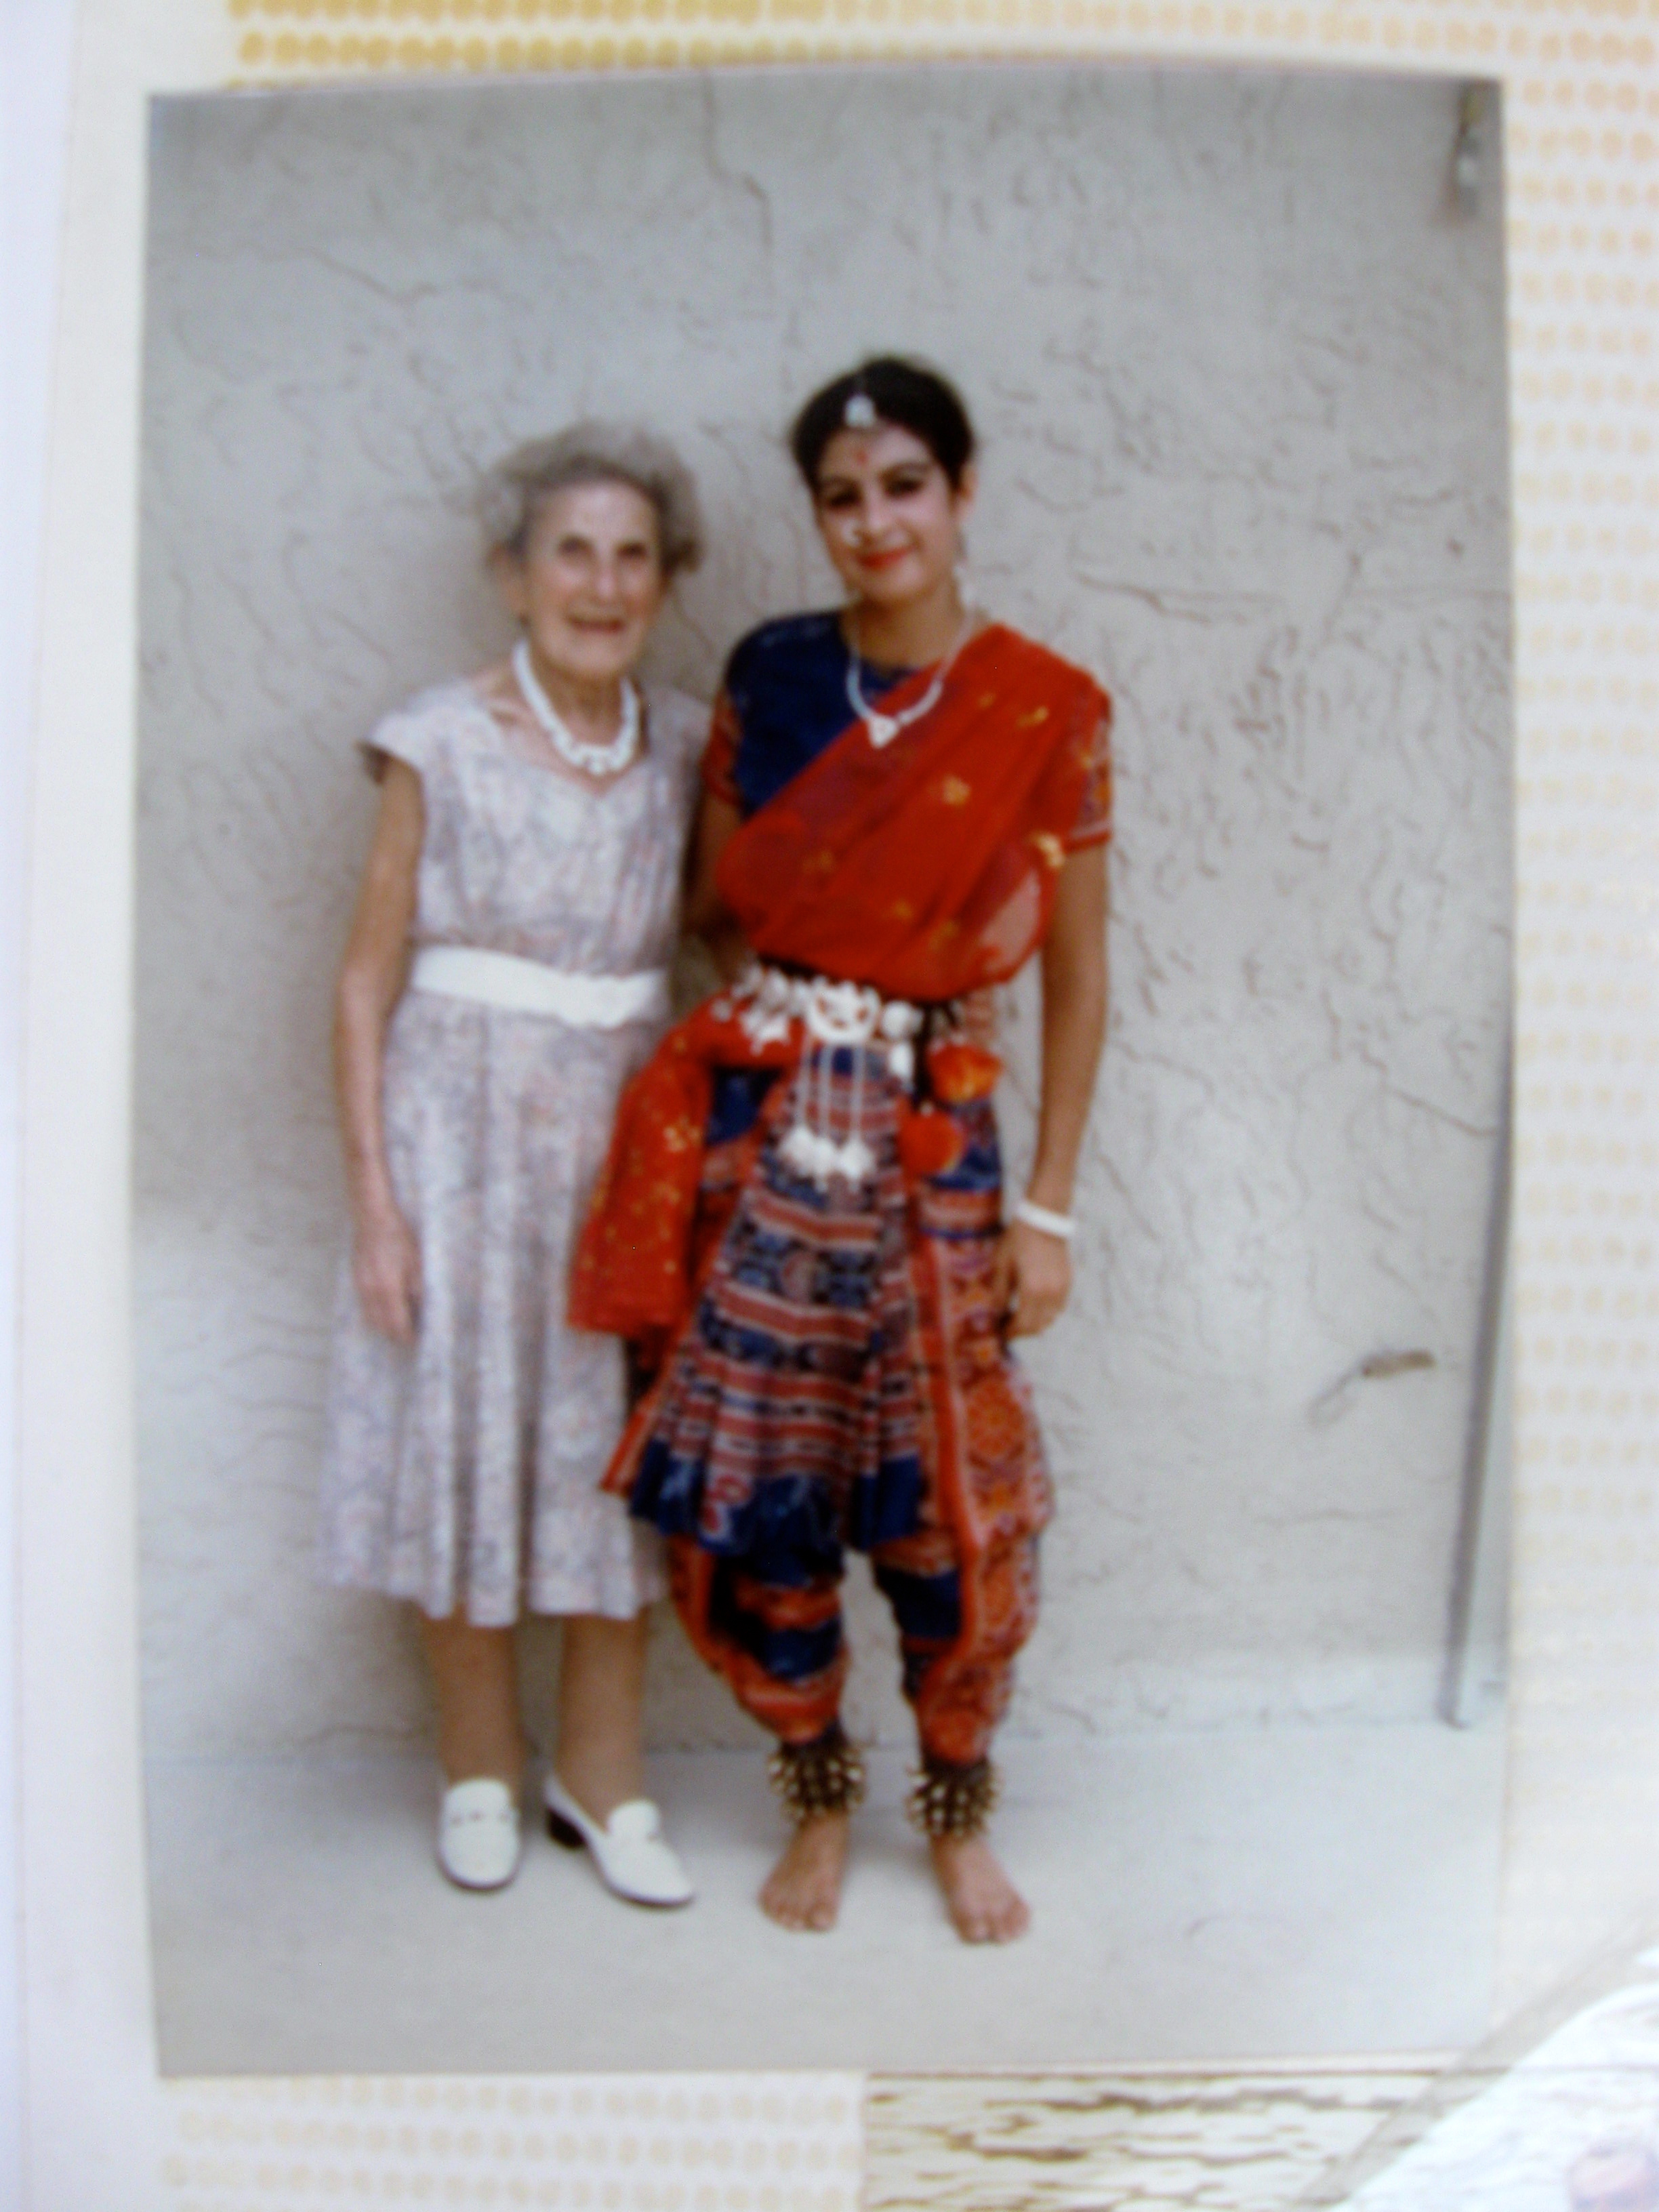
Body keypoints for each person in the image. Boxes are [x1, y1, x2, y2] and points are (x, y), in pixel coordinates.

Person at [571, 356, 1111, 1942]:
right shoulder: (777, 673)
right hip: (771, 1142)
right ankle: (813, 1794)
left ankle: (954, 1808)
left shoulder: (1047, 705)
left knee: (947, 1507)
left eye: (906, 486)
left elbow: (1080, 981)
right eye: (842, 496)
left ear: (963, 491)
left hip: (939, 1149)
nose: (876, 522)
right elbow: (721, 902)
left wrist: (1048, 1211)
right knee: (773, 1490)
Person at [319, 424, 707, 1902]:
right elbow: (365, 980)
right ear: (511, 574)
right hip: (457, 1147)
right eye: (571, 553)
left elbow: (738, 923)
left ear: (664, 582)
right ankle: (477, 1765)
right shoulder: (436, 737)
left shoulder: (689, 744)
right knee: (463, 1437)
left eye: (632, 558)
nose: (601, 586)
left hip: (623, 1152)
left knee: (617, 1452)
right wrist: (376, 1205)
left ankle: (600, 1780)